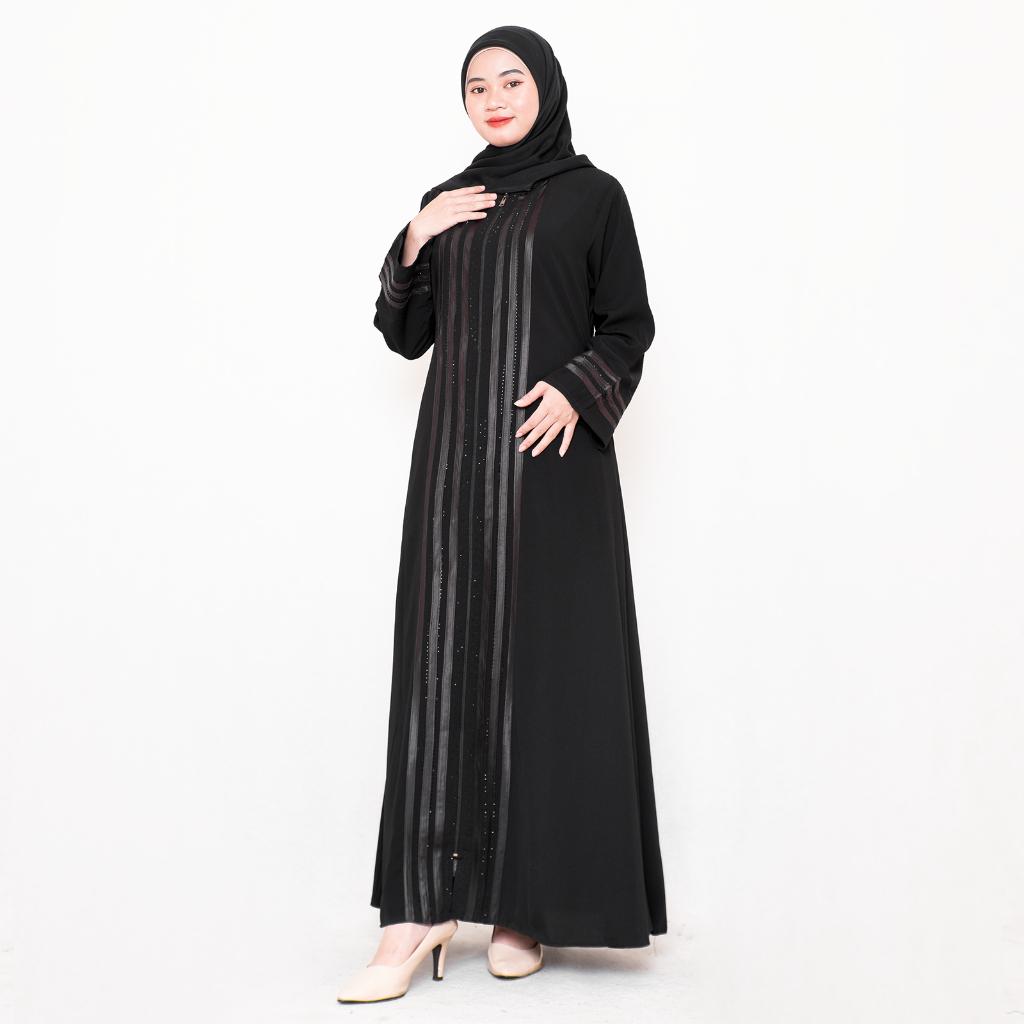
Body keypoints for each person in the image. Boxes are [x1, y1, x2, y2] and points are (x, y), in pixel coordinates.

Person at [338, 25, 666, 1004]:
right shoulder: (453, 199)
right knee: (442, 668)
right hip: (453, 473)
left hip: (550, 473)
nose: (493, 98)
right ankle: (416, 914)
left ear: (546, 88)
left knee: (546, 672)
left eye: (510, 80)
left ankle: (528, 906)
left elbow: (628, 325)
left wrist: (577, 387)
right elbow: (405, 334)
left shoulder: (594, 197)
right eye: (476, 86)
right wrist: (415, 239)